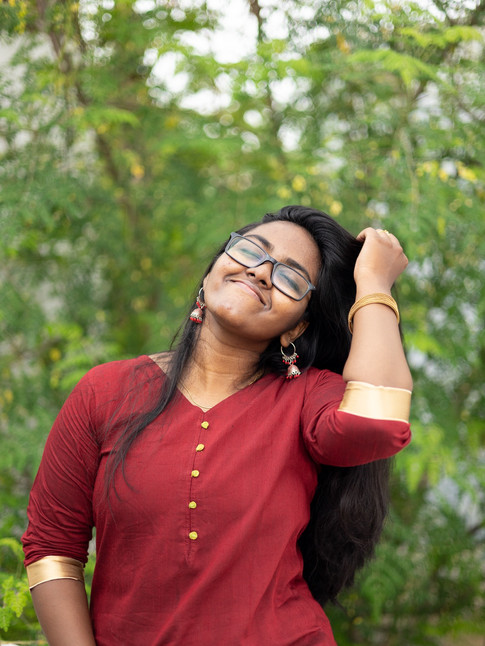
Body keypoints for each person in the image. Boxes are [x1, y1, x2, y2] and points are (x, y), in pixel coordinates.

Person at [22, 205, 413, 645]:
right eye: (250, 251)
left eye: (290, 277)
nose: (261, 272)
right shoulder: (106, 392)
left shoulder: (307, 397)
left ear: (297, 327)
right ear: (211, 272)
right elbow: (52, 547)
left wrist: (374, 283)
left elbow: (378, 421)